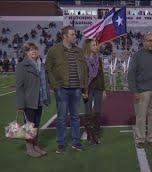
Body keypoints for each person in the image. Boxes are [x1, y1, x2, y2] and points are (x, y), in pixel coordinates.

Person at [45, 25, 88, 154]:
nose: (75, 36)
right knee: (62, 117)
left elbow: (84, 70)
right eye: (72, 34)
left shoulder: (79, 51)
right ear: (64, 36)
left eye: (75, 34)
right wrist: (55, 86)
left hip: (76, 89)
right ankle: (61, 143)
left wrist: (84, 88)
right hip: (62, 88)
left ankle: (75, 142)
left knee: (75, 117)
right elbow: (48, 68)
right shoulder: (54, 50)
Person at [128, 32, 152, 149]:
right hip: (142, 91)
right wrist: (134, 90)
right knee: (141, 116)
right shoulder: (137, 55)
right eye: (149, 40)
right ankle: (140, 139)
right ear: (144, 42)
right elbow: (131, 74)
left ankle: (151, 138)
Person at [16, 42, 50, 157]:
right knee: (29, 125)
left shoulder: (41, 64)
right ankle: (29, 148)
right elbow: (19, 87)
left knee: (36, 124)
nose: (34, 51)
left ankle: (35, 145)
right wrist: (20, 104)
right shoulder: (22, 66)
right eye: (30, 50)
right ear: (26, 52)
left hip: (39, 99)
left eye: (35, 49)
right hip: (29, 100)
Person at [82, 39, 105, 145]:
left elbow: (102, 75)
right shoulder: (83, 60)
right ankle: (89, 134)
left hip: (98, 88)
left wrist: (104, 89)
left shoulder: (99, 59)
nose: (96, 46)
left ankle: (96, 134)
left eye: (96, 45)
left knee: (97, 112)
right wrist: (83, 90)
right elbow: (82, 76)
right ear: (88, 46)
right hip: (88, 89)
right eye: (94, 45)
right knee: (88, 112)